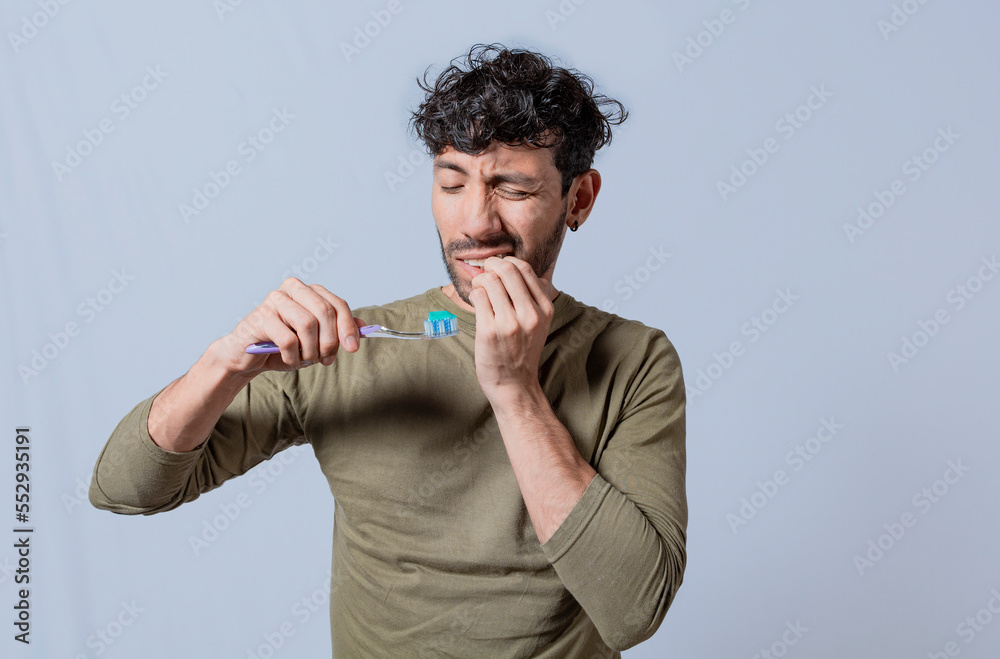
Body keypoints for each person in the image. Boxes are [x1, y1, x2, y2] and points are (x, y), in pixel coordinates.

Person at [90, 43, 687, 657]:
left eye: (511, 188)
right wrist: (224, 363)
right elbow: (125, 489)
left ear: (578, 199)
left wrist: (516, 391)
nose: (474, 224)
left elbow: (632, 608)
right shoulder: (349, 346)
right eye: (451, 183)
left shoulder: (635, 361)